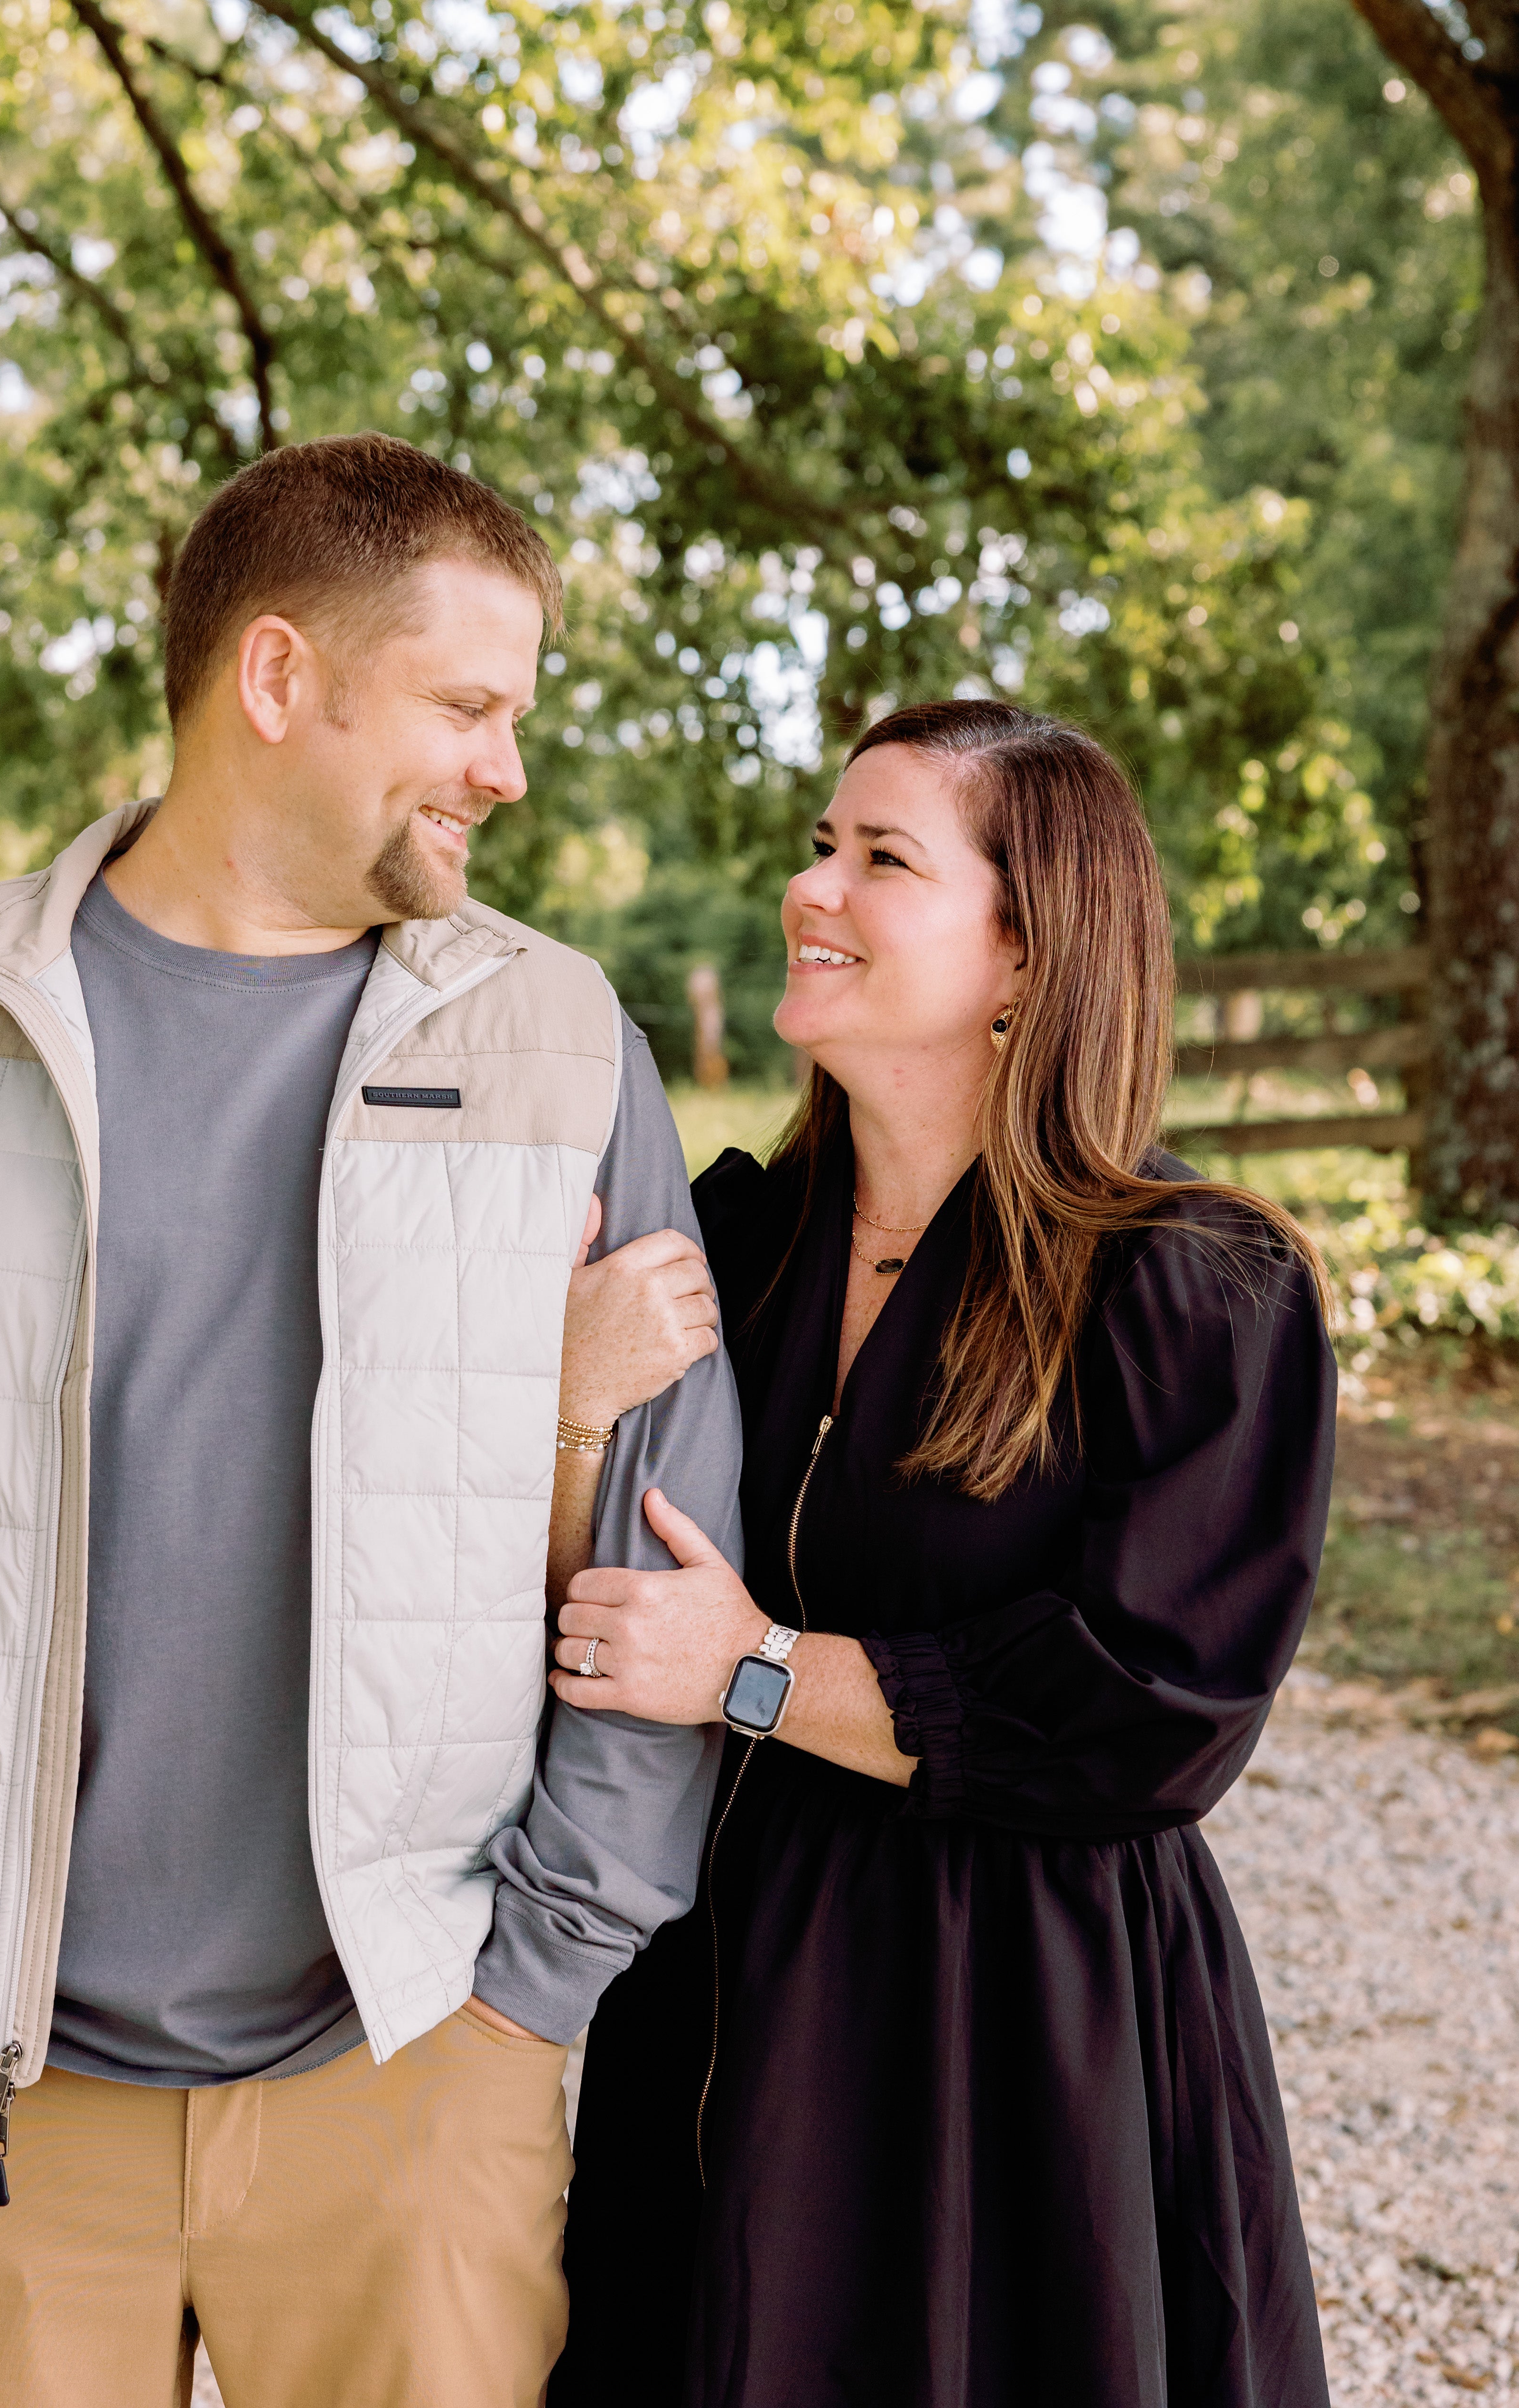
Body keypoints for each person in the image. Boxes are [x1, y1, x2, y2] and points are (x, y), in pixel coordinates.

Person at [0, 432, 741, 2408]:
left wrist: (524, 1999)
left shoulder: (557, 1044)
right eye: (470, 706)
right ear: (279, 679)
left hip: (408, 2062)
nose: (508, 770)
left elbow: (665, 1559)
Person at [549, 700, 1336, 2408]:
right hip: (720, 1979)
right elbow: (575, 1584)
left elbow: (1158, 1706)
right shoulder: (737, 1237)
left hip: (1022, 2015)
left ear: (1022, 957)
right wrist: (569, 1395)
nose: (807, 885)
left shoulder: (1200, 1285)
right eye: (821, 840)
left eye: (880, 856)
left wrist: (755, 1670)